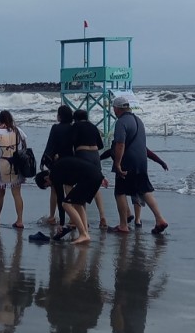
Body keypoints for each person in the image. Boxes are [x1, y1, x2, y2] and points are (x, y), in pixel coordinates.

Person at [108, 96, 168, 235]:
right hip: (141, 162)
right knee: (145, 190)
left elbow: (120, 144)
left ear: (117, 109)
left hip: (127, 162)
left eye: (114, 108)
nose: (114, 111)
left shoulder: (121, 122)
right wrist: (159, 161)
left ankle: (123, 225)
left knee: (120, 192)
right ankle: (160, 219)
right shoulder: (139, 121)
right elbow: (142, 146)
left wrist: (117, 164)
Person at [34, 156, 109, 245]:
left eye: (47, 185)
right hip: (95, 175)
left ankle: (83, 234)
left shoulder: (54, 175)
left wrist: (61, 224)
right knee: (77, 204)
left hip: (90, 177)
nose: (50, 186)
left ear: (46, 178)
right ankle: (85, 233)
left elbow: (60, 199)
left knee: (66, 204)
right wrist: (101, 177)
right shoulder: (59, 168)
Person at [101, 146, 168, 227]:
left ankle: (128, 215)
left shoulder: (117, 146)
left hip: (123, 170)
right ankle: (137, 219)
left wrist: (96, 159)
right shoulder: (137, 145)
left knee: (120, 193)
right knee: (137, 193)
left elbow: (109, 152)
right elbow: (149, 153)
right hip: (137, 168)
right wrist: (161, 162)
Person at [0, 110, 27, 229]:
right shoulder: (19, 131)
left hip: (1, 165)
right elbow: (25, 147)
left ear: (0, 122)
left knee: (0, 194)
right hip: (16, 165)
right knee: (17, 193)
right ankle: (19, 221)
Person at [71, 109, 108, 229]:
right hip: (95, 155)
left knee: (82, 186)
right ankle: (103, 216)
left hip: (83, 154)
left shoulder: (75, 126)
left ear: (75, 118)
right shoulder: (93, 126)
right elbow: (101, 145)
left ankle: (84, 219)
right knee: (95, 186)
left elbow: (71, 142)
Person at [40, 105, 76, 225]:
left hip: (58, 161)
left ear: (60, 116)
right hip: (71, 160)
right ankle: (72, 218)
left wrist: (44, 160)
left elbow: (50, 145)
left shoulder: (56, 128)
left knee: (55, 190)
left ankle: (52, 217)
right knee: (69, 188)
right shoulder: (73, 128)